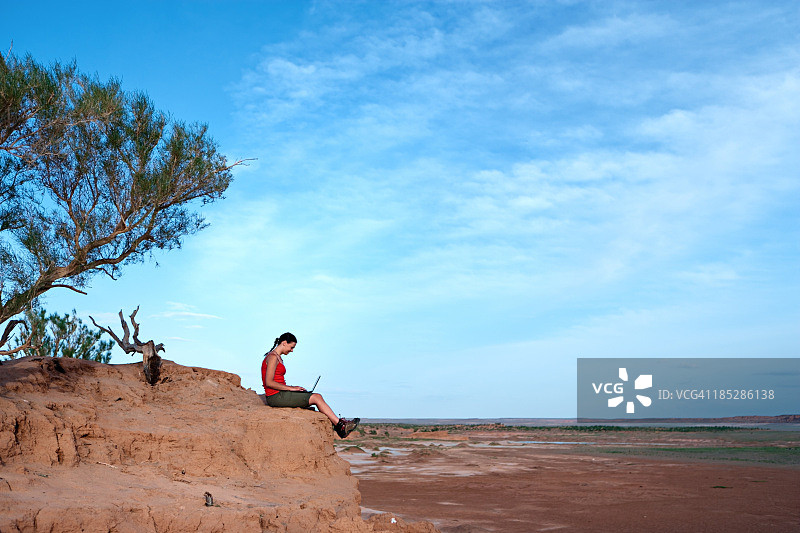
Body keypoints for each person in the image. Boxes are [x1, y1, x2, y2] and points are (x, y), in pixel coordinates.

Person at [262, 332, 359, 438]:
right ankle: (340, 426)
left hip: (281, 393)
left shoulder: (278, 357)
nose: (292, 350)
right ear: (284, 343)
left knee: (311, 396)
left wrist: (294, 389)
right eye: (291, 347)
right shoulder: (272, 357)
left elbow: (277, 381)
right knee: (316, 397)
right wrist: (291, 388)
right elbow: (269, 382)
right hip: (275, 396)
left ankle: (339, 425)